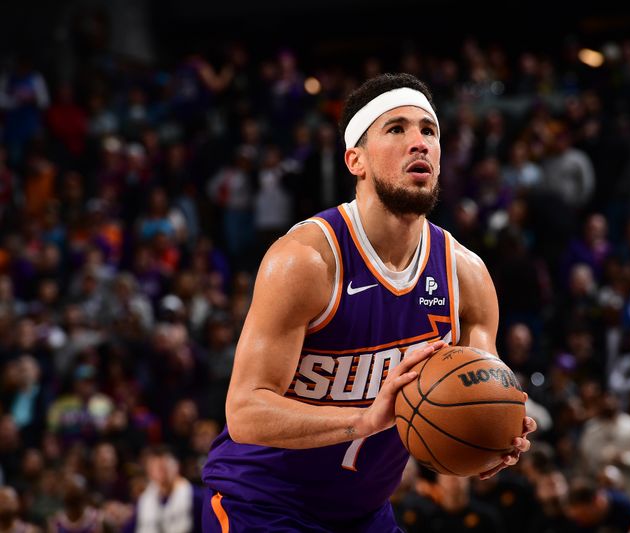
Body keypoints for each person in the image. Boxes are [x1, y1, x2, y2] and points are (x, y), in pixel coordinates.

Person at [201, 73, 534, 532]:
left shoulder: (466, 275)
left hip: (365, 514)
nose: (418, 142)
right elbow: (244, 411)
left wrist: (493, 433)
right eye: (396, 129)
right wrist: (366, 418)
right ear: (355, 159)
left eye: (429, 130)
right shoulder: (306, 261)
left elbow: (475, 393)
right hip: (261, 503)